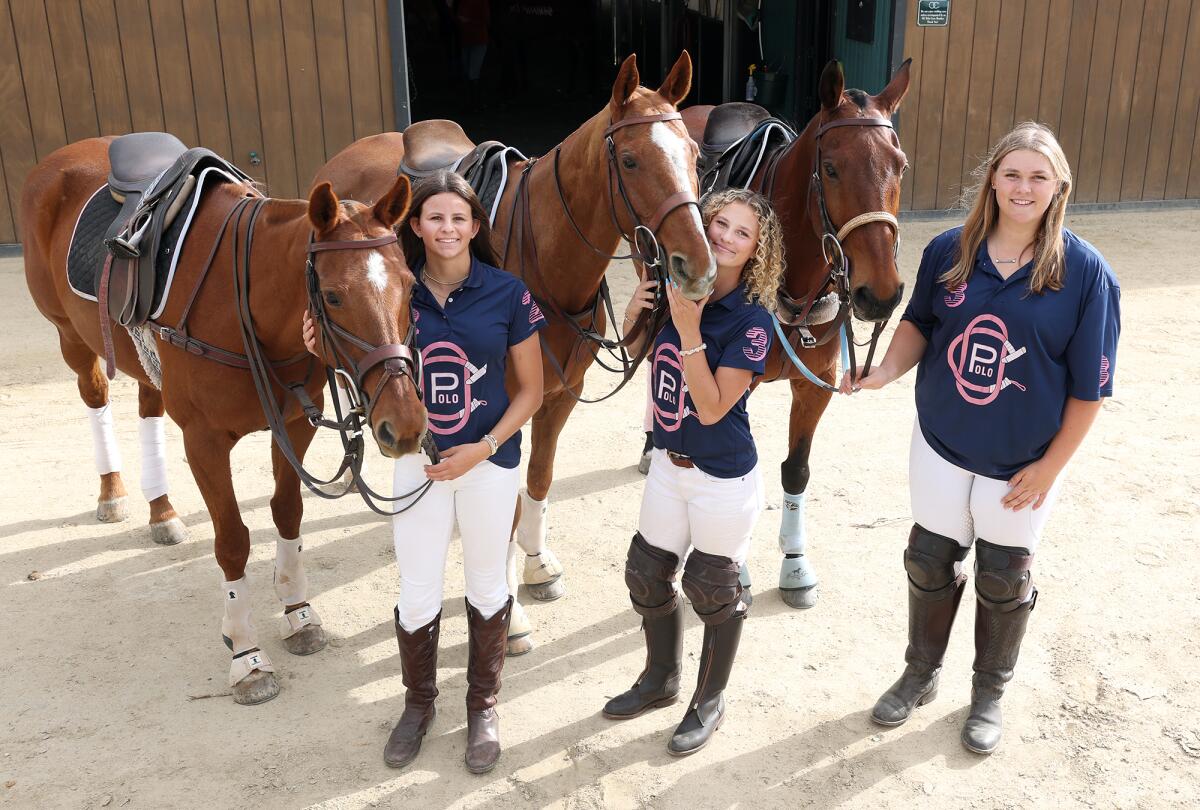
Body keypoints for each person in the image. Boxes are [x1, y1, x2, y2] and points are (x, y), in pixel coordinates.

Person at [843, 122, 1121, 755]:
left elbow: (1089, 392)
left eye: (1038, 177)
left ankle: (989, 691)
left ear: (1059, 187)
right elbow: (918, 323)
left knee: (1003, 575)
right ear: (992, 177)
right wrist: (885, 370)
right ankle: (920, 673)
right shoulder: (950, 250)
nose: (1023, 187)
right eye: (1012, 173)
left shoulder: (1084, 274)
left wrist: (1051, 468)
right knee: (929, 559)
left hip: (1021, 461)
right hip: (942, 438)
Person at [304, 171, 544, 773]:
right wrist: (322, 349)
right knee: (417, 589)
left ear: (475, 226)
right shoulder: (394, 290)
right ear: (415, 225)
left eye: (459, 218)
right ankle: (418, 705)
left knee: (489, 585)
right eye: (435, 217)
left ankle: (483, 705)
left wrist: (483, 447)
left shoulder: (509, 292)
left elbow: (533, 391)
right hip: (418, 463)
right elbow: (364, 347)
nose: (447, 228)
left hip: (488, 463)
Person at [603, 188, 784, 755]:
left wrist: (688, 330)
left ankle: (709, 698)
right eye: (719, 224)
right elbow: (625, 360)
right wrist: (635, 315)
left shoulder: (752, 319)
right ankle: (660, 679)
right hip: (666, 464)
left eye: (742, 233)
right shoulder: (673, 290)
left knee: (712, 587)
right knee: (647, 573)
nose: (727, 238)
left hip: (721, 475)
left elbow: (710, 406)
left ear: (757, 251)